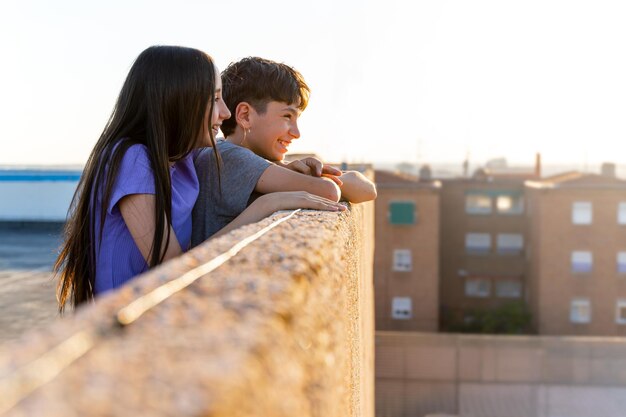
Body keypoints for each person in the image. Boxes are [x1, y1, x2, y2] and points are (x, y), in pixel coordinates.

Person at [54, 46, 344, 312]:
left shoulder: (185, 161)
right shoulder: (133, 159)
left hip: (164, 316)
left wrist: (288, 168)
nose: (225, 112)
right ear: (178, 101)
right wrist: (268, 204)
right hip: (130, 326)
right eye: (215, 99)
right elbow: (173, 268)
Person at [191, 57, 377, 245]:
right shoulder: (230, 157)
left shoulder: (227, 151)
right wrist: (310, 178)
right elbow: (329, 192)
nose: (296, 133)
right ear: (245, 116)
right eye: (287, 116)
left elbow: (367, 190)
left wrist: (286, 168)